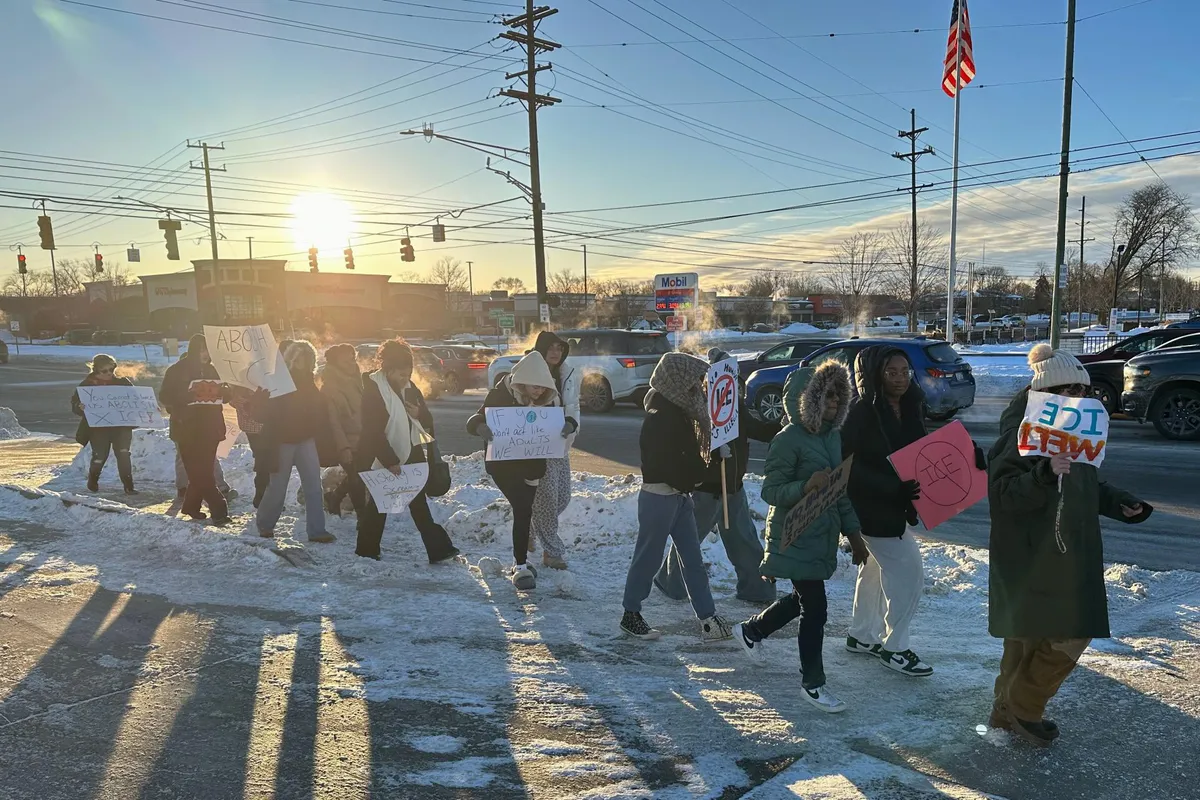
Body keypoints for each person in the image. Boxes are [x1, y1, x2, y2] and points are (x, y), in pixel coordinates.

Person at [986, 344, 1152, 747]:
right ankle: (1025, 707)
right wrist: (1042, 473)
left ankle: (1005, 714)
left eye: (1084, 390)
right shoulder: (1018, 433)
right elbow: (1004, 495)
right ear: (1048, 393)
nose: (1081, 397)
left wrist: (1119, 502)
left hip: (1067, 550)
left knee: (1036, 635)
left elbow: (1086, 482)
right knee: (1056, 633)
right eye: (1072, 390)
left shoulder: (1074, 431)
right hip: (1031, 553)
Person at [730, 362, 867, 713]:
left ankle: (752, 631)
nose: (833, 403)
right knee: (816, 609)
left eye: (838, 397)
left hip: (821, 535)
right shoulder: (788, 439)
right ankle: (813, 683)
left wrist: (854, 535)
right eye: (826, 396)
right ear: (808, 399)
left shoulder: (831, 437)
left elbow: (838, 491)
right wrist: (805, 486)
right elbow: (771, 491)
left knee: (801, 599)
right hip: (794, 535)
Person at [619, 352, 732, 643]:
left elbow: (687, 459)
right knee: (648, 559)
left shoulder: (679, 413)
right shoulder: (659, 418)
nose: (697, 388)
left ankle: (707, 617)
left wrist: (710, 458)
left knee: (693, 559)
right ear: (677, 382)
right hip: (659, 499)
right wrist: (699, 475)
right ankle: (631, 613)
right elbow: (665, 466)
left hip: (680, 497)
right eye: (692, 382)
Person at [655, 347, 779, 605]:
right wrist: (709, 456)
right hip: (707, 488)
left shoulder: (736, 407)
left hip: (733, 486)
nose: (732, 381)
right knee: (690, 541)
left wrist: (780, 428)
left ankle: (757, 589)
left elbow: (757, 429)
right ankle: (670, 582)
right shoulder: (698, 404)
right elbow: (687, 445)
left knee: (744, 540)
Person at [840, 346, 933, 676]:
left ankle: (862, 635)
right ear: (874, 375)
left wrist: (967, 455)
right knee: (909, 573)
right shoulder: (861, 412)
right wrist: (892, 487)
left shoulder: (910, 405)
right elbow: (847, 466)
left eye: (905, 371)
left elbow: (923, 450)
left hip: (895, 505)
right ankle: (895, 648)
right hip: (870, 508)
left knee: (873, 570)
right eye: (891, 372)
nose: (900, 379)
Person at [357, 339, 459, 563]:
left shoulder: (410, 388)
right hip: (383, 454)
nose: (406, 378)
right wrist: (389, 459)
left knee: (418, 501)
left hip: (411, 451)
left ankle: (438, 549)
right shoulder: (374, 388)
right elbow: (372, 429)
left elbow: (427, 421)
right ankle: (366, 550)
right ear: (388, 369)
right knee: (380, 502)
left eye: (409, 373)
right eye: (401, 374)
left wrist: (419, 414)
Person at [467, 350, 563, 590]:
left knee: (524, 511)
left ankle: (520, 561)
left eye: (543, 388)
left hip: (532, 466)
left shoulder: (545, 399)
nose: (539, 392)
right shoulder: (500, 395)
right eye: (535, 387)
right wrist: (480, 427)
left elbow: (557, 422)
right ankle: (520, 566)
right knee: (522, 508)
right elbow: (474, 419)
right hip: (504, 465)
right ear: (523, 381)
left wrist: (568, 424)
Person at [256, 340, 335, 543]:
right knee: (277, 486)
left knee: (314, 486)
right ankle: (265, 524)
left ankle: (317, 530)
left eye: (307, 358)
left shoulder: (310, 382)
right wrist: (261, 402)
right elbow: (264, 413)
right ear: (291, 359)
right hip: (282, 441)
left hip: (306, 439)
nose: (303, 362)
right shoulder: (279, 380)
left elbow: (318, 410)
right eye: (299, 358)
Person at [160, 333, 230, 525]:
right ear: (194, 350)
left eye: (209, 350)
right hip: (186, 428)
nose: (206, 354)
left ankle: (191, 506)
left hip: (211, 427)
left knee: (203, 472)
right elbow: (165, 397)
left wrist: (226, 393)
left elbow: (223, 396)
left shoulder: (212, 370)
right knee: (199, 473)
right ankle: (219, 510)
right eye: (202, 350)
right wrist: (186, 396)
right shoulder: (177, 370)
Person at [527, 331, 581, 569]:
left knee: (563, 497)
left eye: (560, 348)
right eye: (551, 348)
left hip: (561, 442)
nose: (556, 353)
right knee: (547, 500)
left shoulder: (566, 372)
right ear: (541, 348)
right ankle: (552, 552)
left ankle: (527, 528)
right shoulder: (528, 370)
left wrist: (572, 423)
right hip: (538, 443)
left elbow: (573, 404)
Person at [70, 354, 138, 495]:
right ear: (96, 370)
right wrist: (79, 406)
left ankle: (129, 486)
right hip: (98, 428)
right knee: (100, 456)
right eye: (104, 371)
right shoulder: (87, 385)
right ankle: (93, 480)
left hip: (121, 426)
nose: (109, 373)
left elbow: (136, 400)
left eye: (111, 369)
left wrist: (149, 407)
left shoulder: (122, 382)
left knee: (124, 454)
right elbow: (75, 404)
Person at [320, 343, 365, 517]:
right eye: (346, 361)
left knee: (360, 475)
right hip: (346, 441)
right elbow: (334, 423)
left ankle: (334, 497)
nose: (352, 363)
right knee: (356, 478)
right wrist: (344, 448)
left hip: (363, 438)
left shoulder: (357, 381)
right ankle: (362, 516)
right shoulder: (330, 388)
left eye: (353, 359)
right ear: (335, 364)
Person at [227, 384, 271, 508]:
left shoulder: (237, 387)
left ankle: (261, 497)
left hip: (250, 429)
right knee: (264, 464)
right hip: (261, 429)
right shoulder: (254, 387)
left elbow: (232, 402)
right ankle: (262, 498)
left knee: (261, 461)